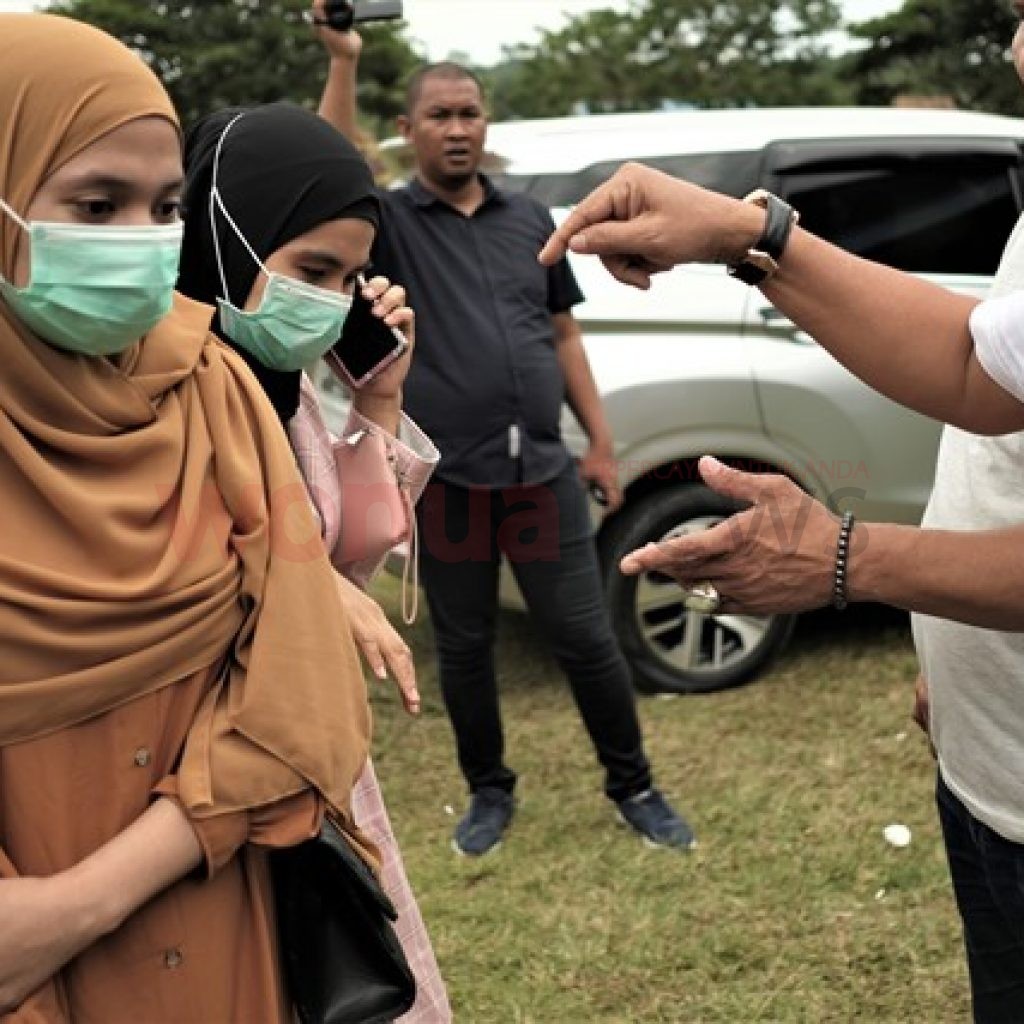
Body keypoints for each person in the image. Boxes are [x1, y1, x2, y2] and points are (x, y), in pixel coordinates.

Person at [538, 10, 1024, 1016]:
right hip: (992, 769)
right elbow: (980, 373)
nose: (1016, 50)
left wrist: (845, 558)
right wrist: (746, 232)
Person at [0, 14, 374, 1021]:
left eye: (165, 206)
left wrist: (83, 901)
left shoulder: (211, 387)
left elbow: (306, 693)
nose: (140, 240)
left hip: (220, 920)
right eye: (97, 205)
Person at [314, 7, 696, 856]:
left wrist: (600, 442)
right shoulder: (392, 223)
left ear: (487, 123)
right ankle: (488, 792)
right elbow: (335, 165)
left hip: (543, 476)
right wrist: (343, 60)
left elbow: (563, 334)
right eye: (440, 115)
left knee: (586, 638)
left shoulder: (530, 218)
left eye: (470, 113)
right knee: (466, 645)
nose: (458, 129)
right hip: (450, 482)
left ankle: (635, 786)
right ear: (409, 128)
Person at [176, 100, 450, 1023]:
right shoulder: (156, 396)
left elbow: (356, 555)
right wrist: (307, 585)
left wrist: (381, 395)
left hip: (312, 768)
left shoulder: (286, 394)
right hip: (201, 783)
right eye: (310, 270)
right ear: (228, 242)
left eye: (350, 276)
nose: (333, 299)